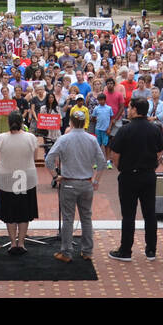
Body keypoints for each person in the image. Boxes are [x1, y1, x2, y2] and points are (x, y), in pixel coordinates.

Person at [107, 97, 163, 262]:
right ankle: (151, 250)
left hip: (128, 175)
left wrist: (121, 168)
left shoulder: (125, 130)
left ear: (134, 109)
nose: (128, 110)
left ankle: (126, 251)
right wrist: (153, 165)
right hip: (148, 175)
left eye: (130, 107)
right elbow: (160, 151)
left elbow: (115, 154)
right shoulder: (154, 129)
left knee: (128, 214)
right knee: (150, 213)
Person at [45, 107, 105, 263]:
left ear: (71, 122)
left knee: (68, 219)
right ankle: (87, 251)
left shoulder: (64, 139)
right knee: (86, 217)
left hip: (68, 182)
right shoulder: (92, 139)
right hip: (86, 183)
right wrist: (96, 180)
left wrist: (55, 176)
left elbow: (48, 159)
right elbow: (102, 162)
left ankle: (66, 252)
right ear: (84, 122)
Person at [0, 109, 40, 254]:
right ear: (22, 123)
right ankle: (21, 243)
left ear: (8, 123)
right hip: (26, 177)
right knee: (24, 211)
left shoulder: (1, 138)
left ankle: (13, 243)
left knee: (10, 212)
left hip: (7, 178)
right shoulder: (31, 137)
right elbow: (34, 158)